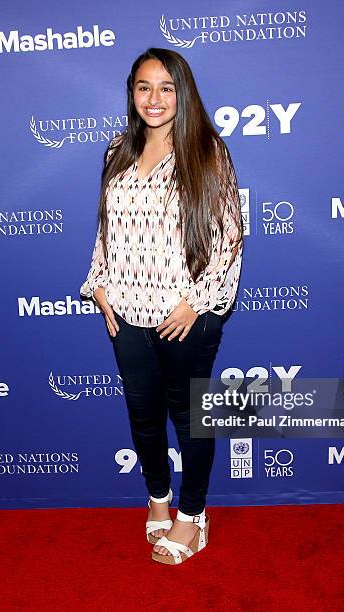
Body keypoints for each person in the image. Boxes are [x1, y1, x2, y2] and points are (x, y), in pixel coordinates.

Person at [80, 47, 244, 565]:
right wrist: (99, 284)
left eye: (166, 88)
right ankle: (158, 498)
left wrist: (196, 302)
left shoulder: (207, 153)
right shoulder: (116, 151)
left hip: (184, 317)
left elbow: (231, 239)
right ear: (132, 93)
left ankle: (193, 516)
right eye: (144, 87)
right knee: (143, 416)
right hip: (124, 310)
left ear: (183, 93)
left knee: (190, 418)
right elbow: (107, 231)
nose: (154, 98)